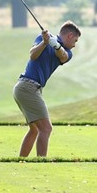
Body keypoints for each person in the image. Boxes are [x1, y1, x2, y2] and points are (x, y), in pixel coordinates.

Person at [13, 20, 81, 157]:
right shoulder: (43, 38)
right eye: (75, 40)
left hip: (27, 89)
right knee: (46, 128)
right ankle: (41, 163)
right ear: (68, 35)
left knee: (35, 130)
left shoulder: (67, 52)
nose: (74, 45)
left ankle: (20, 161)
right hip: (27, 87)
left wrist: (55, 46)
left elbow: (63, 57)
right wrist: (45, 42)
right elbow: (33, 55)